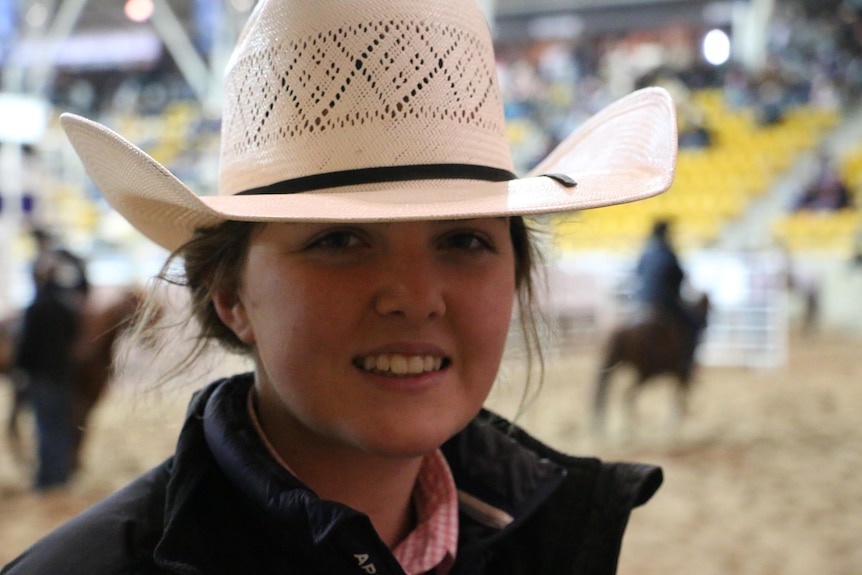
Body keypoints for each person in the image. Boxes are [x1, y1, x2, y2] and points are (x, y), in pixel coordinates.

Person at [2, 0, 677, 573]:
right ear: (229, 295)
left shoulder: (558, 537)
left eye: (465, 240)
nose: (415, 296)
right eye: (339, 241)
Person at [12, 228, 89, 490]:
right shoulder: (67, 308)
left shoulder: (34, 310)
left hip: (42, 377)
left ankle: (47, 479)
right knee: (61, 426)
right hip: (62, 374)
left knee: (45, 428)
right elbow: (75, 339)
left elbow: (27, 347)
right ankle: (61, 476)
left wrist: (20, 369)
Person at [633, 219, 703, 371]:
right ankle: (686, 362)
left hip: (641, 301)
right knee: (694, 323)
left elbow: (637, 272)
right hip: (664, 302)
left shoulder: (646, 252)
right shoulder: (669, 252)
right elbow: (679, 276)